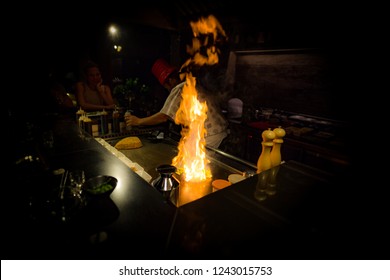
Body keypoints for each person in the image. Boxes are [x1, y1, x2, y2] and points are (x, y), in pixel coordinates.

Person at [125, 58, 228, 148]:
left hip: (210, 137)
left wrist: (138, 121)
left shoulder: (180, 88)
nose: (167, 89)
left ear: (169, 80)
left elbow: (163, 116)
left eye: (165, 85)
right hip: (222, 133)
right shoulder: (192, 84)